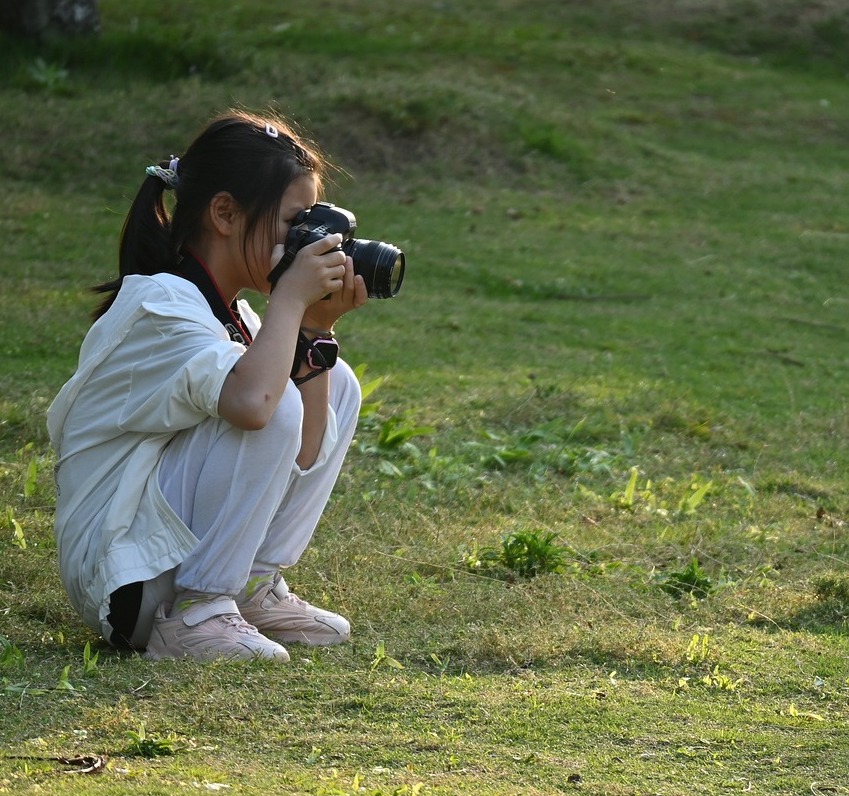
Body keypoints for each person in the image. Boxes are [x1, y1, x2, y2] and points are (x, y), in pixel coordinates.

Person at [47, 109, 368, 662]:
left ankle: (248, 588)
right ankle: (199, 610)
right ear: (224, 212)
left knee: (333, 379)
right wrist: (290, 299)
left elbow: (305, 450)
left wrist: (315, 327)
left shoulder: (233, 311)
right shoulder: (161, 305)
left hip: (163, 557)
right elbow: (252, 405)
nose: (306, 240)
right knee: (269, 396)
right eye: (294, 221)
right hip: (125, 580)